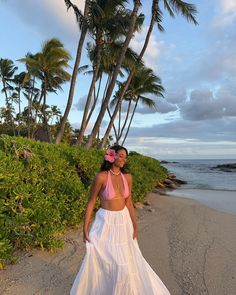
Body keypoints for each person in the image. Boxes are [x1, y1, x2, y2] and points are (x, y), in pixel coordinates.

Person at [70, 145, 170, 295]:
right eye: (121, 156)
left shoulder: (127, 178)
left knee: (125, 263)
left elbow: (129, 202)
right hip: (105, 223)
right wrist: (85, 228)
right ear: (112, 156)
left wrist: (135, 226)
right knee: (105, 259)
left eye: (125, 157)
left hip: (123, 222)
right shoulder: (101, 177)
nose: (124, 159)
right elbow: (91, 202)